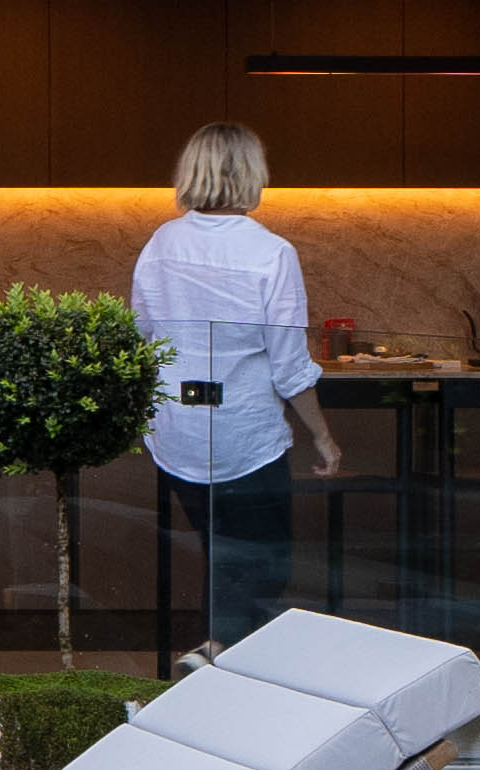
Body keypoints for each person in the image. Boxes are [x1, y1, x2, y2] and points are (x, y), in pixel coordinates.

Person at [132, 120, 338, 649]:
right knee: (261, 567)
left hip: (176, 436)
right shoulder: (271, 253)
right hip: (246, 438)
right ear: (252, 174)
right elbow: (289, 362)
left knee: (223, 556)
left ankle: (214, 664)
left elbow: (141, 337)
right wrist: (321, 434)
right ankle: (220, 665)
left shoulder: (161, 244)